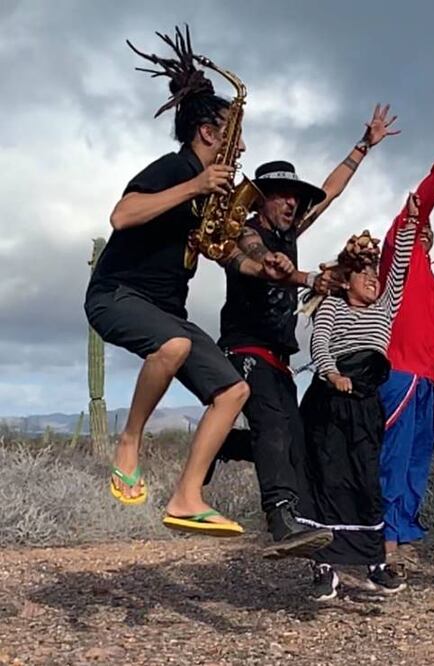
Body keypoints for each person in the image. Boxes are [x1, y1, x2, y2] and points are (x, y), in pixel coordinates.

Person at [85, 27, 303, 536]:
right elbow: (122, 214)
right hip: (116, 295)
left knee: (232, 391)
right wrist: (194, 183)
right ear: (209, 132)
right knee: (176, 343)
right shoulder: (176, 167)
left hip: (166, 312)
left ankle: (186, 497)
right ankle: (128, 442)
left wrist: (262, 266)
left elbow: (223, 252)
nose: (241, 145)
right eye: (234, 132)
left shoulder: (212, 195)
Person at [214, 104, 400, 559]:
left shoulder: (291, 228)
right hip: (245, 345)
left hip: (278, 353)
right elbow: (260, 261)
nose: (290, 202)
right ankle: (282, 521)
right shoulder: (245, 229)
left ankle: (220, 442)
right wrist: (296, 275)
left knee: (297, 442)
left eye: (293, 196)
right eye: (280, 195)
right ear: (261, 198)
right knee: (277, 428)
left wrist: (364, 146)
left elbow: (331, 192)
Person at [300, 193, 421, 601]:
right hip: (330, 402)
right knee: (327, 480)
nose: (374, 279)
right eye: (365, 273)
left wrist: (409, 222)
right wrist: (332, 374)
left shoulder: (384, 308)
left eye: (375, 273)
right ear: (346, 278)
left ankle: (375, 565)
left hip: (366, 402)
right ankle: (324, 568)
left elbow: (399, 265)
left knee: (366, 481)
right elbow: (320, 344)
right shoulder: (332, 307)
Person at [376, 130, 434, 578]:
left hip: (427, 378)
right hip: (399, 372)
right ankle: (386, 539)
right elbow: (421, 204)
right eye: (420, 224)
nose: (426, 229)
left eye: (429, 229)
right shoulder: (397, 255)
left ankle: (407, 533)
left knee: (418, 458)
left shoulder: (429, 277)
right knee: (393, 458)